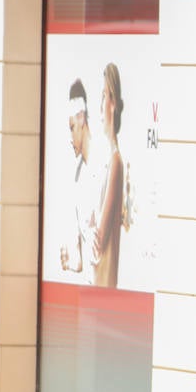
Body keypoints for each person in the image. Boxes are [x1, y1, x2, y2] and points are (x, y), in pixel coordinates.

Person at [59, 79, 99, 284]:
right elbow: (80, 261)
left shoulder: (103, 167)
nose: (70, 137)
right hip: (90, 290)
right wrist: (70, 260)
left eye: (71, 127)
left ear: (82, 119)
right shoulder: (78, 175)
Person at [94, 63, 127, 288]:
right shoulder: (108, 160)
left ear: (113, 104)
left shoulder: (115, 161)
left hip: (104, 282)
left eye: (104, 95)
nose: (100, 104)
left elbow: (100, 237)